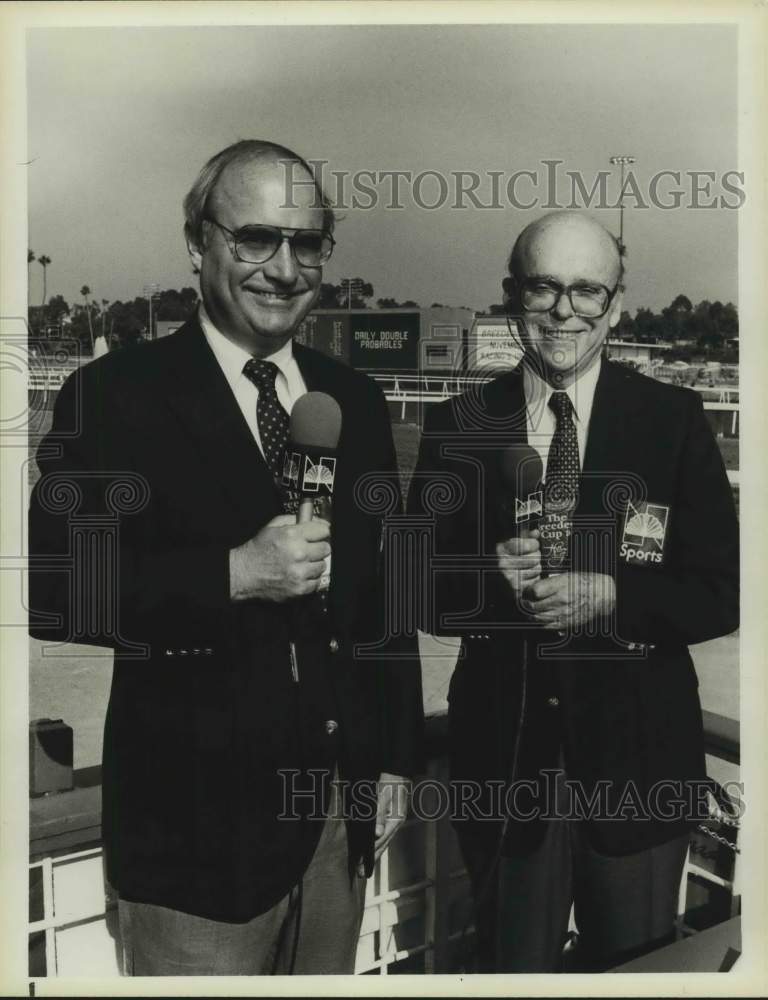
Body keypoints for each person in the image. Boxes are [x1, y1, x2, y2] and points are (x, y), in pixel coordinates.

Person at [29, 140, 423, 975]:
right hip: (193, 846)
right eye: (255, 239)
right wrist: (235, 573)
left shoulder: (350, 399)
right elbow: (61, 591)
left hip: (332, 832)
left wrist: (393, 755)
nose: (284, 269)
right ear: (198, 241)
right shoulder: (114, 396)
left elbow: (386, 597)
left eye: (306, 243)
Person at [407, 211, 738, 972]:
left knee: (638, 973)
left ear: (615, 305)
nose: (564, 311)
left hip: (640, 769)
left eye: (587, 291)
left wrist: (615, 597)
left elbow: (722, 591)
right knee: (509, 971)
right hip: (507, 762)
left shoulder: (673, 421)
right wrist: (490, 579)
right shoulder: (459, 423)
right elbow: (420, 589)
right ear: (511, 294)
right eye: (545, 288)